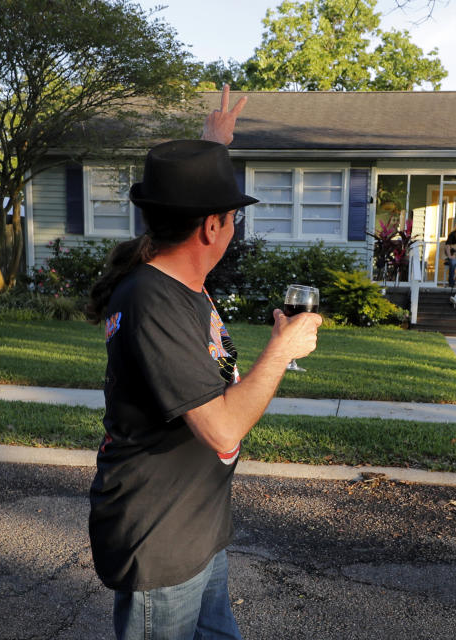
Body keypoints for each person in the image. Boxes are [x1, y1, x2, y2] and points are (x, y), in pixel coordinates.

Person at [85, 86, 322, 640]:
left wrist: (212, 150)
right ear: (210, 227)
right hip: (161, 537)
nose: (235, 229)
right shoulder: (151, 300)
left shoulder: (176, 282)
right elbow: (219, 428)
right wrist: (281, 351)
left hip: (195, 525)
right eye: (229, 218)